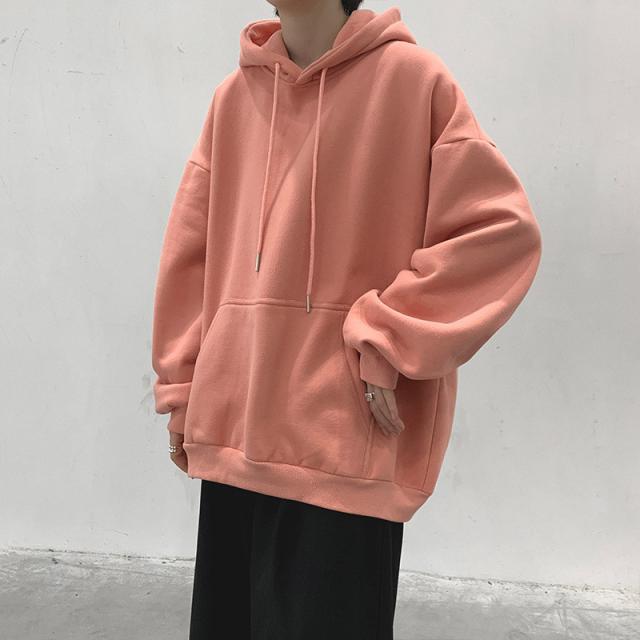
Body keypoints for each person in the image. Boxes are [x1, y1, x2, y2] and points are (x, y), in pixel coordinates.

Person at [150, 1, 543, 638]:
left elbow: (499, 233)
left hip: (345, 447)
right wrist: (182, 389)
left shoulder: (414, 82)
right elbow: (189, 258)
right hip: (237, 436)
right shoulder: (233, 99)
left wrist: (389, 335)